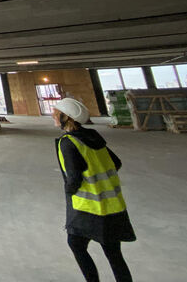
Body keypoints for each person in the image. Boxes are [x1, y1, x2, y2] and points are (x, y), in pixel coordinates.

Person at [53, 98, 135, 282]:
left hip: (88, 209)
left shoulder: (68, 142)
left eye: (55, 112)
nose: (53, 115)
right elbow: (116, 163)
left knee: (76, 245)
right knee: (114, 255)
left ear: (65, 117)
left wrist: (70, 190)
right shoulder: (94, 137)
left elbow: (73, 178)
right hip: (113, 207)